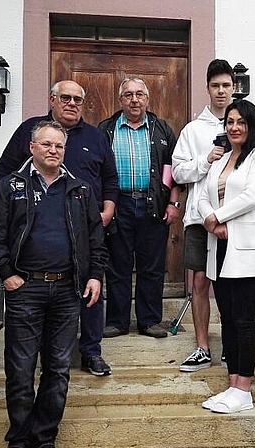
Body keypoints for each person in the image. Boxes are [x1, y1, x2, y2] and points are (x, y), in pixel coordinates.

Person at [0, 80, 118, 377]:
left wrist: (109, 208)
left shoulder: (96, 136)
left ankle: (91, 351)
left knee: (90, 289)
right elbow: (4, 169)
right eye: (66, 98)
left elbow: (109, 177)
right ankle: (37, 360)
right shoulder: (31, 130)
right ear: (52, 100)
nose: (72, 103)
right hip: (41, 236)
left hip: (85, 227)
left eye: (77, 99)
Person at [0, 120, 108, 448]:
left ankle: (44, 437)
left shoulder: (80, 190)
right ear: (32, 148)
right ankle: (20, 438)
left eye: (59, 146)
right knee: (21, 369)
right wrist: (8, 273)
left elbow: (96, 239)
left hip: (68, 290)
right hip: (26, 290)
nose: (53, 150)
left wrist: (94, 276)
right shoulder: (12, 186)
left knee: (58, 368)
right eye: (47, 145)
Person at [197, 100, 255, 414]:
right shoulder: (223, 158)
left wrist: (218, 217)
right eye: (229, 122)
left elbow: (252, 196)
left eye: (240, 121)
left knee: (244, 320)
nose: (234, 127)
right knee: (227, 318)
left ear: (251, 124)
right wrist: (210, 221)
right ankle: (232, 386)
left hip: (246, 248)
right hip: (220, 246)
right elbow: (203, 195)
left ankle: (244, 387)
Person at [97, 77, 182, 338]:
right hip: (117, 204)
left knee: (152, 266)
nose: (134, 99)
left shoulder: (161, 129)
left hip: (152, 204)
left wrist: (173, 202)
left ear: (147, 98)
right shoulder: (106, 129)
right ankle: (117, 321)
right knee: (117, 265)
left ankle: (149, 320)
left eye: (139, 95)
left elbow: (173, 170)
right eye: (128, 95)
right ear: (120, 100)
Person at [172, 59, 234, 371]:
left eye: (226, 85)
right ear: (207, 88)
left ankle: (230, 346)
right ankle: (201, 347)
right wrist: (205, 159)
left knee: (229, 282)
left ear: (233, 87)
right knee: (199, 281)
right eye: (215, 86)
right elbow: (179, 173)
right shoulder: (193, 130)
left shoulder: (243, 125)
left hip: (232, 218)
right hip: (198, 218)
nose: (220, 91)